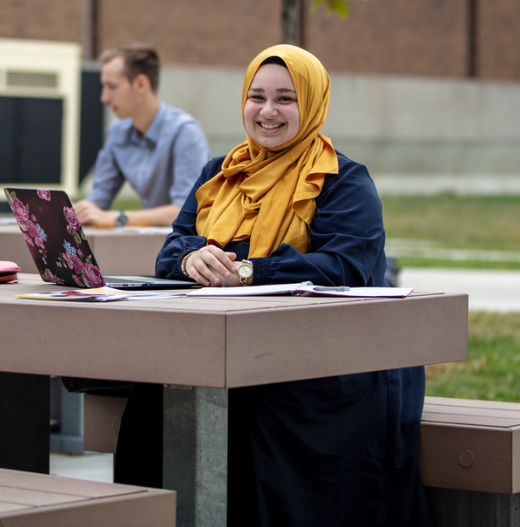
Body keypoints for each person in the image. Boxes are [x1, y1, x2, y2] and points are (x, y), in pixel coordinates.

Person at [115, 45, 432, 526]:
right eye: (256, 96)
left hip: (326, 360)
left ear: (312, 104)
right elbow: (171, 250)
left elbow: (342, 265)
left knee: (260, 411)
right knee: (150, 408)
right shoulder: (221, 174)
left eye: (285, 98)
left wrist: (247, 272)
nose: (267, 111)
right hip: (229, 349)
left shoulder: (343, 180)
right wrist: (192, 260)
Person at [74, 43, 209, 228]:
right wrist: (79, 211)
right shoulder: (117, 131)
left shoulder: (185, 133)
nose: (104, 97)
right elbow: (98, 199)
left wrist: (118, 217)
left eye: (111, 87)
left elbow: (186, 211)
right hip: (147, 242)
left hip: (187, 248)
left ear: (140, 84)